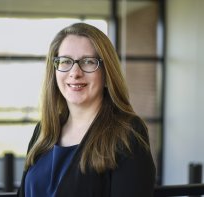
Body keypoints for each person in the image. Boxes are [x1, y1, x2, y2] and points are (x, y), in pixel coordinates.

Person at [17, 22, 156, 197]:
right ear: (54, 70)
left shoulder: (126, 132)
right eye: (65, 61)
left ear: (107, 73)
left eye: (88, 62)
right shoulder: (44, 130)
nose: (75, 72)